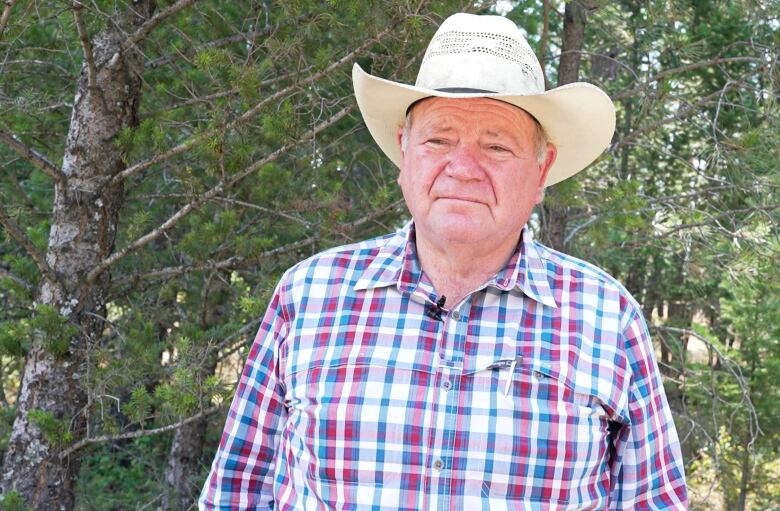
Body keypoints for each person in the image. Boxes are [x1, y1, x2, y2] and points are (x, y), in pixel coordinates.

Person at [199, 13, 688, 510]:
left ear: (541, 172)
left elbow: (656, 502)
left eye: (497, 146)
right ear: (404, 151)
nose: (463, 168)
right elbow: (235, 494)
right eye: (439, 139)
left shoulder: (607, 316)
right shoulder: (307, 296)